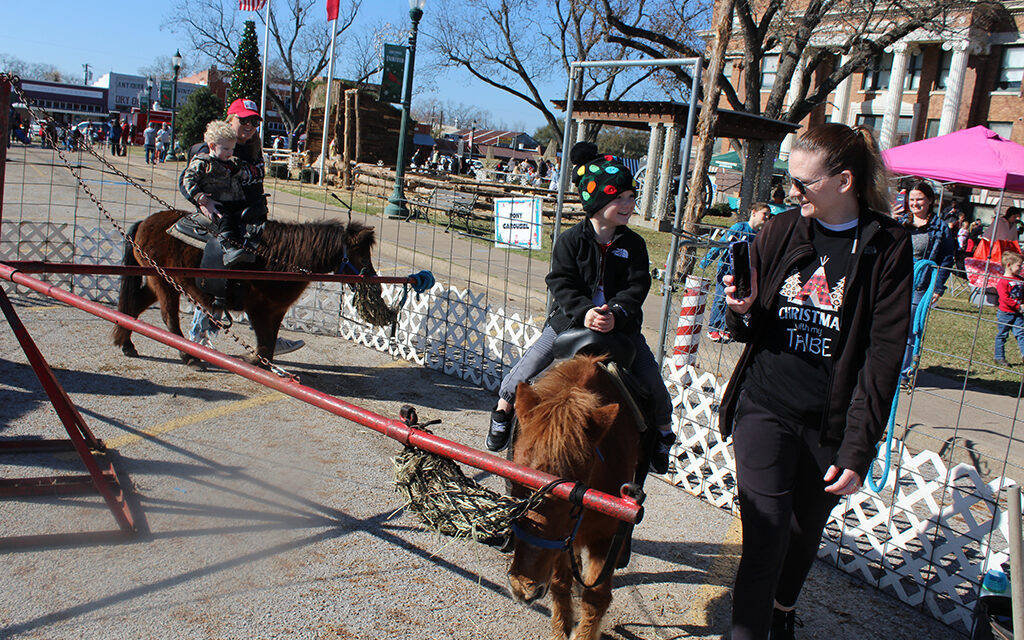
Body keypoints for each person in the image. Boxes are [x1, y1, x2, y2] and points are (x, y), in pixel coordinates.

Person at [719, 123, 912, 640]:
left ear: (844, 181)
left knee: (803, 536)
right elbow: (747, 321)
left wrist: (857, 449)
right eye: (789, 181)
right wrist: (739, 310)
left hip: (827, 422)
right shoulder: (782, 229)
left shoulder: (887, 245)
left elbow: (883, 355)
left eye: (804, 183)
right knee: (766, 536)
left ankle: (782, 612)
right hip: (764, 405)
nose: (792, 192)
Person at [484, 141, 676, 474]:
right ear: (598, 201)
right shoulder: (570, 240)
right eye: (620, 198)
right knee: (528, 366)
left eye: (631, 197)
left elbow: (638, 285)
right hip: (569, 322)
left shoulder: (634, 245)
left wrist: (616, 312)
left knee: (652, 380)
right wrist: (584, 310)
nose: (629, 204)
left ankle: (662, 432)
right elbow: (560, 281)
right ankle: (503, 409)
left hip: (622, 327)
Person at [179, 98, 303, 356]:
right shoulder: (211, 146)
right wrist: (201, 199)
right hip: (221, 216)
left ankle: (268, 335)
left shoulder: (251, 148)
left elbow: (255, 180)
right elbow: (188, 179)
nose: (249, 126)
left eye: (254, 121)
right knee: (218, 270)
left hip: (251, 217)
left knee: (262, 274)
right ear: (230, 119)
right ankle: (199, 334)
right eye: (243, 120)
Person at [897, 180, 957, 384]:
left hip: (921, 284)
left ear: (930, 200)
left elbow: (947, 259)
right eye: (911, 199)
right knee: (890, 327)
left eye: (919, 199)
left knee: (911, 330)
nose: (915, 203)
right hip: (896, 282)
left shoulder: (940, 228)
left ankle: (903, 375)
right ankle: (887, 368)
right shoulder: (901, 222)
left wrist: (938, 287)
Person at [180, 121, 253, 267]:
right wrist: (199, 196)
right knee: (224, 218)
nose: (230, 152)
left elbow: (240, 176)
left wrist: (240, 172)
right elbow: (188, 179)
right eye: (226, 148)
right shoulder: (203, 162)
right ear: (212, 146)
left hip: (234, 200)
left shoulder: (231, 163)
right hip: (217, 202)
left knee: (246, 216)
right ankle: (228, 247)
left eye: (232, 148)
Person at [699, 202, 771, 343]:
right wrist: (706, 261)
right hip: (726, 269)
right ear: (754, 213)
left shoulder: (759, 235)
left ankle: (725, 328)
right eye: (764, 214)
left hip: (741, 272)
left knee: (733, 300)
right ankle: (713, 328)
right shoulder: (739, 227)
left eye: (769, 215)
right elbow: (721, 244)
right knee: (720, 298)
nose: (767, 217)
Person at [994, 250, 1024, 367]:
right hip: (1005, 313)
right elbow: (1005, 298)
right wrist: (1018, 306)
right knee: (1002, 335)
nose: (1021, 267)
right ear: (1008, 265)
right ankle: (999, 357)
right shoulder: (1003, 282)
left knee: (1021, 333)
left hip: (1018, 313)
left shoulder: (1020, 280)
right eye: (1019, 265)